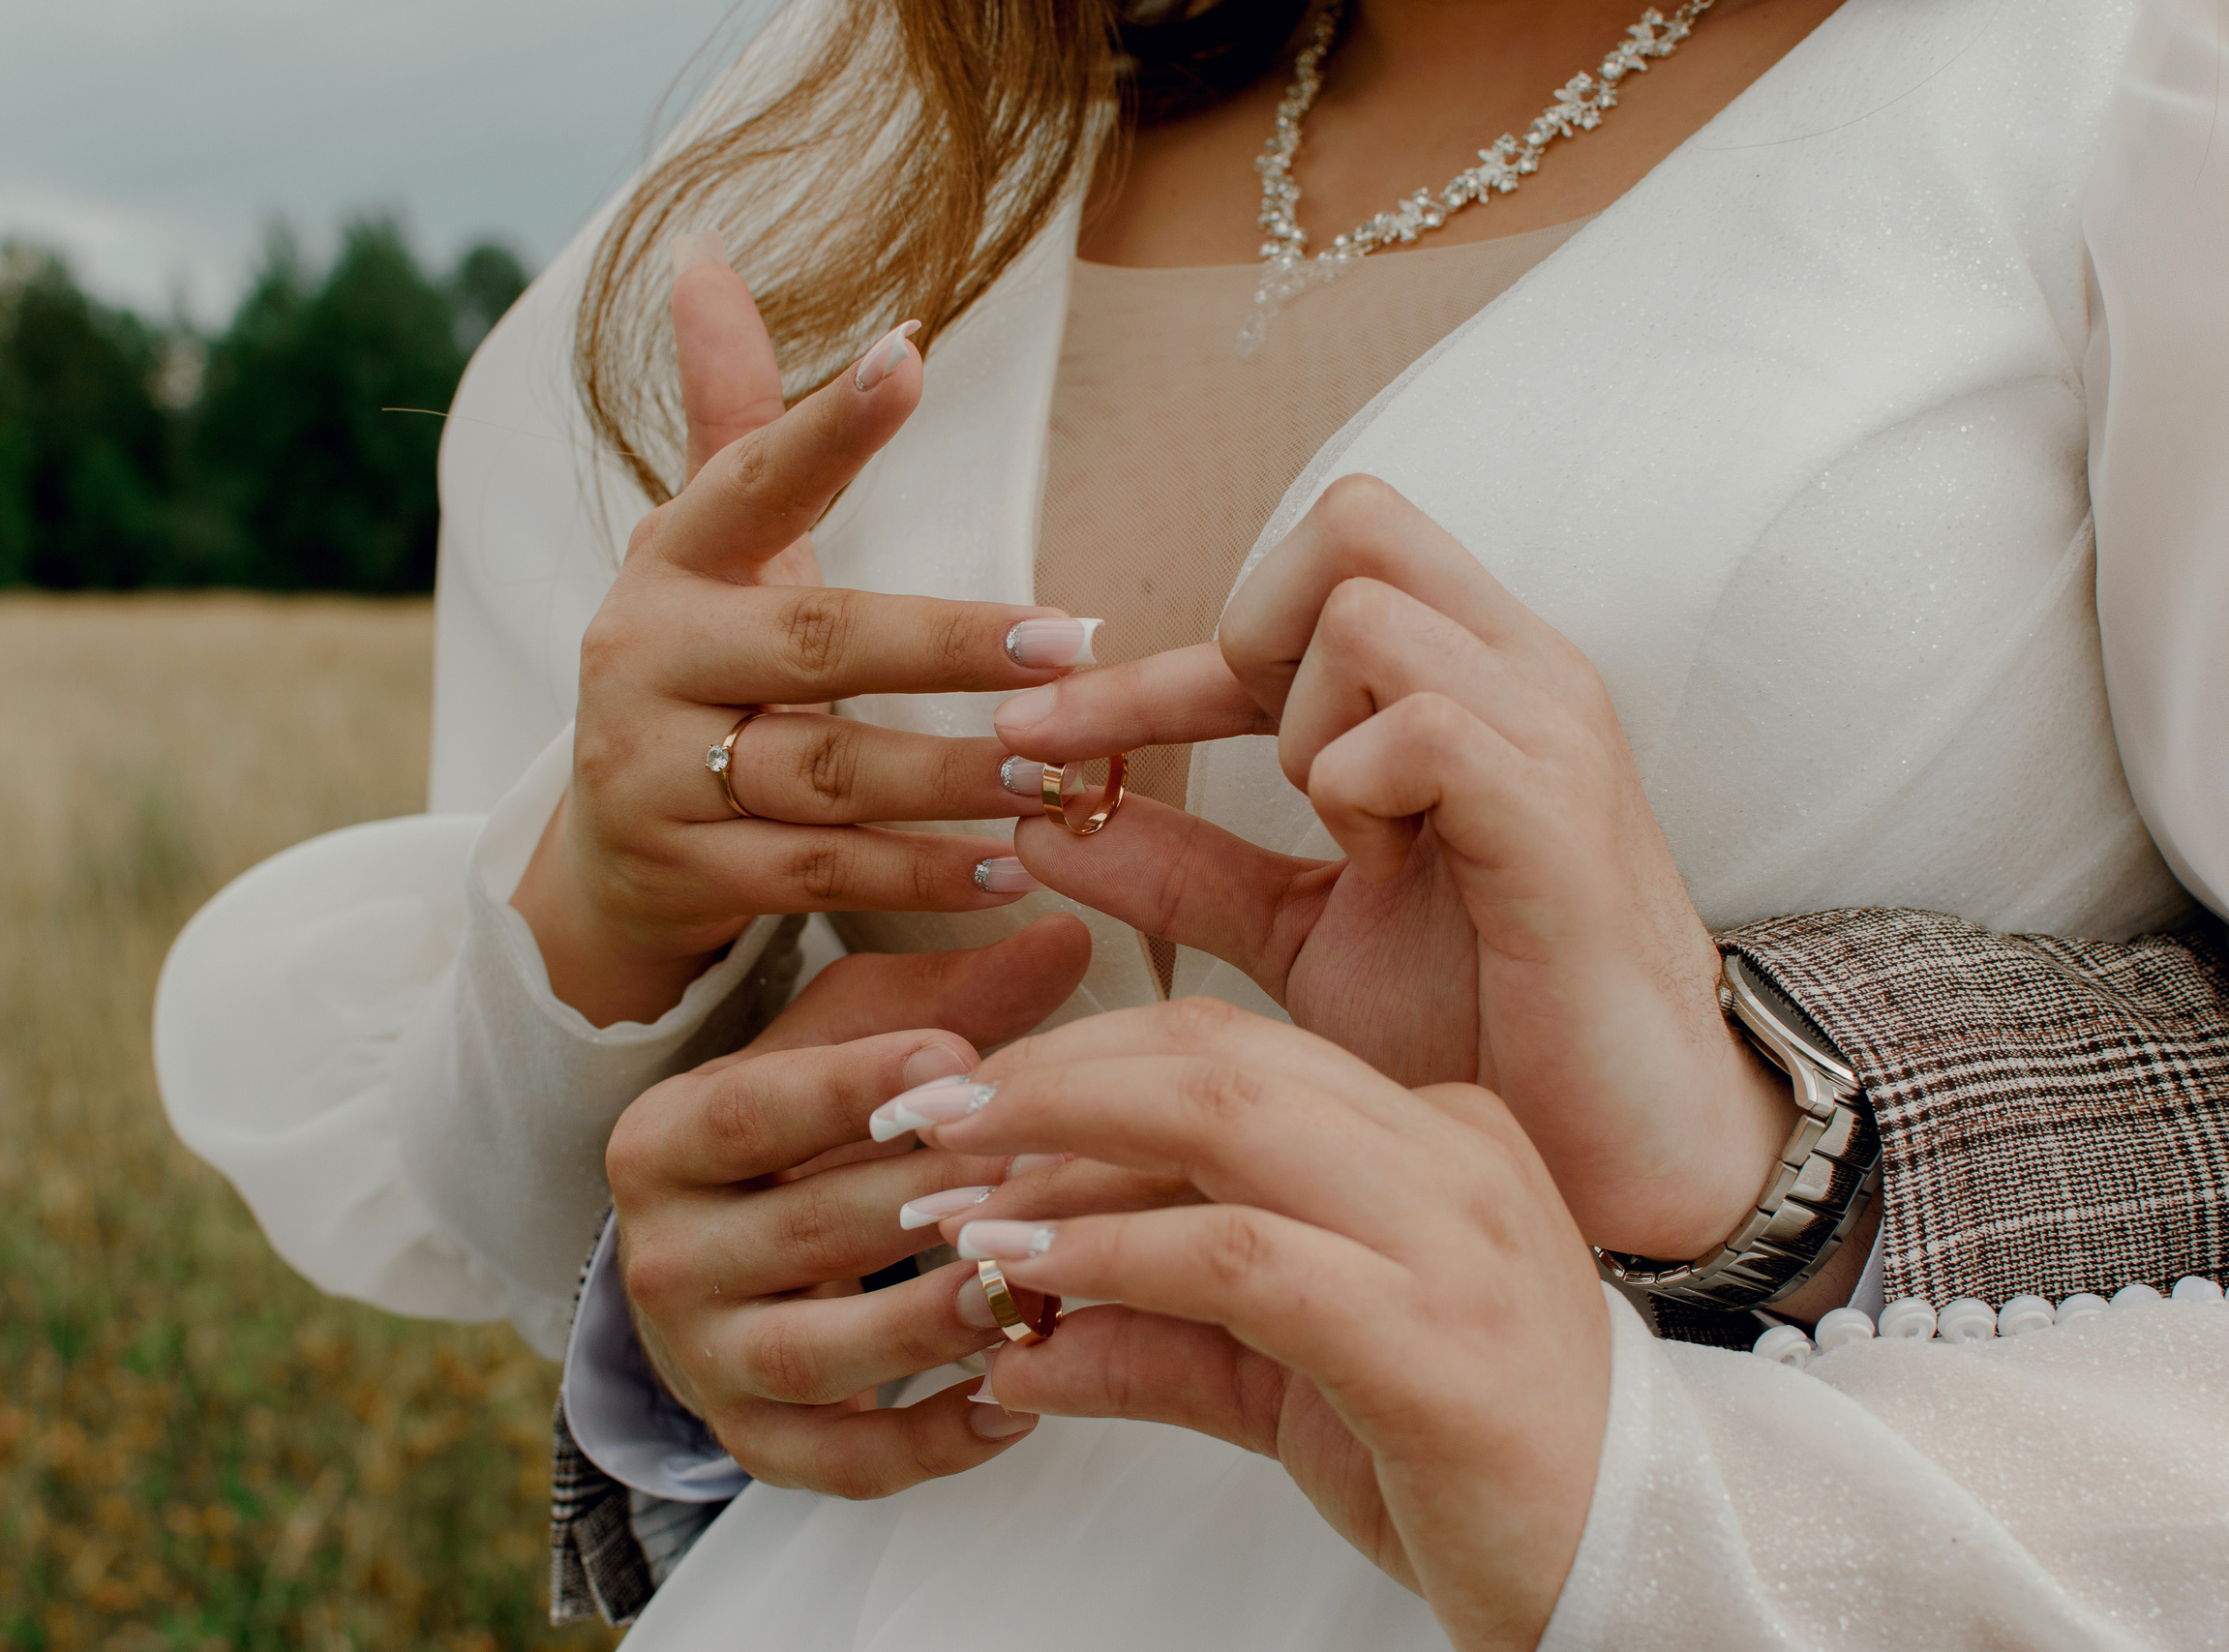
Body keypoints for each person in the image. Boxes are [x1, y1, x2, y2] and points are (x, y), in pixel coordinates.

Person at [151, 0, 2229, 1645]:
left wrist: (1754, 1225)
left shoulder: (2124, 81)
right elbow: (525, 1236)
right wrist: (645, 1030)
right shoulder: (861, 136)